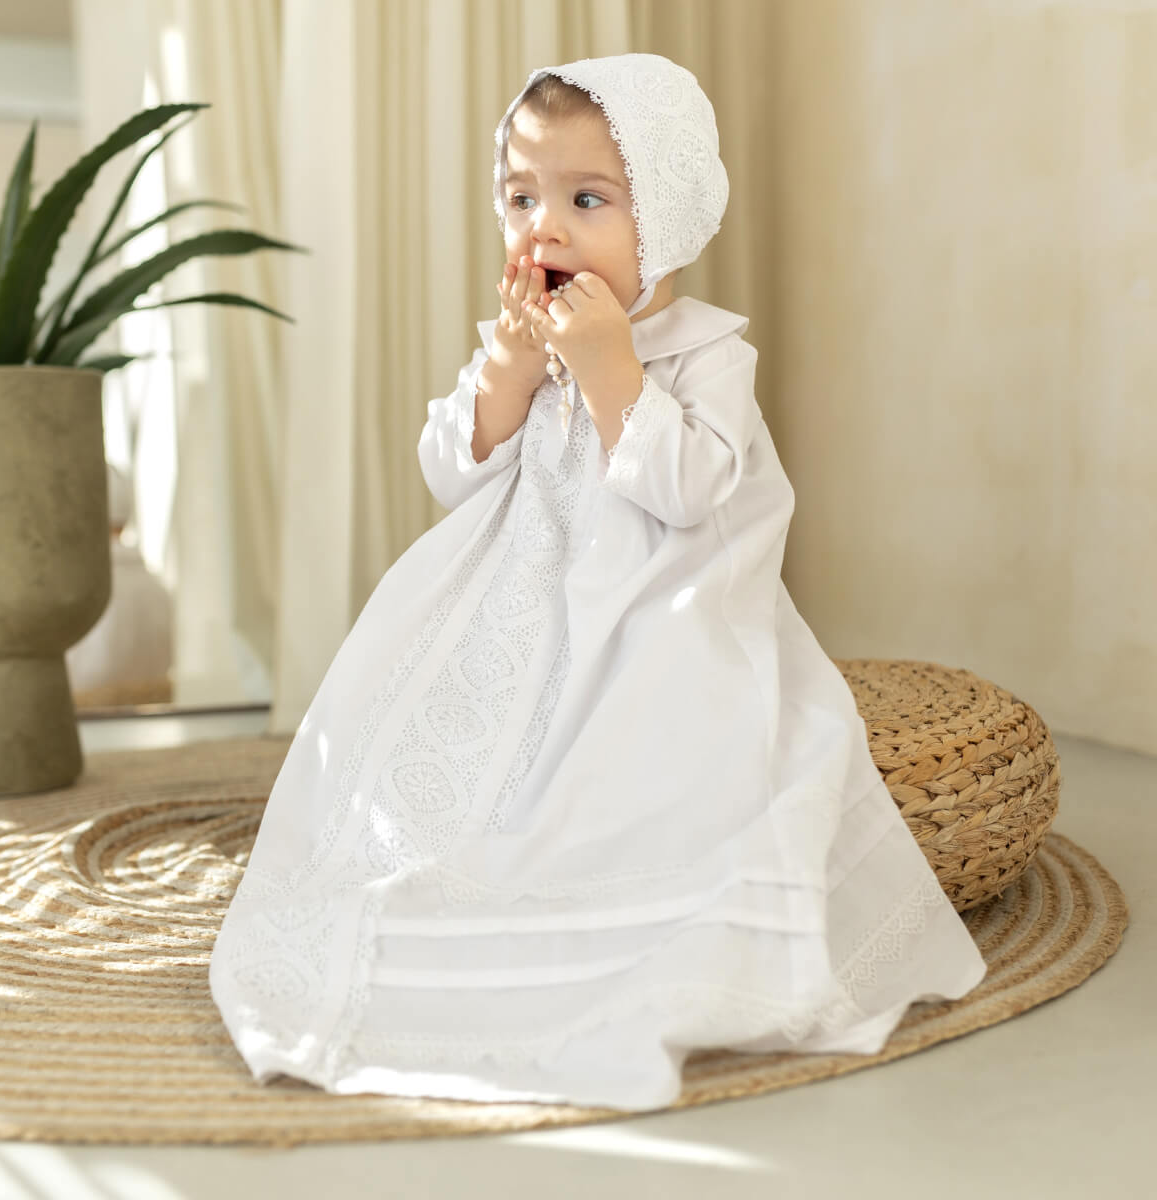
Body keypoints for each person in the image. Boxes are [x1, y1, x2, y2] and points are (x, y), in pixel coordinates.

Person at [210, 53, 986, 1111]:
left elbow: (692, 489)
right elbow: (453, 468)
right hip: (515, 606)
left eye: (588, 200)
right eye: (523, 198)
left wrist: (611, 366)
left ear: (661, 220)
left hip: (653, 611)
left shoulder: (704, 353)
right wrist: (514, 372)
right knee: (442, 754)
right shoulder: (521, 340)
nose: (548, 228)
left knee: (628, 769)